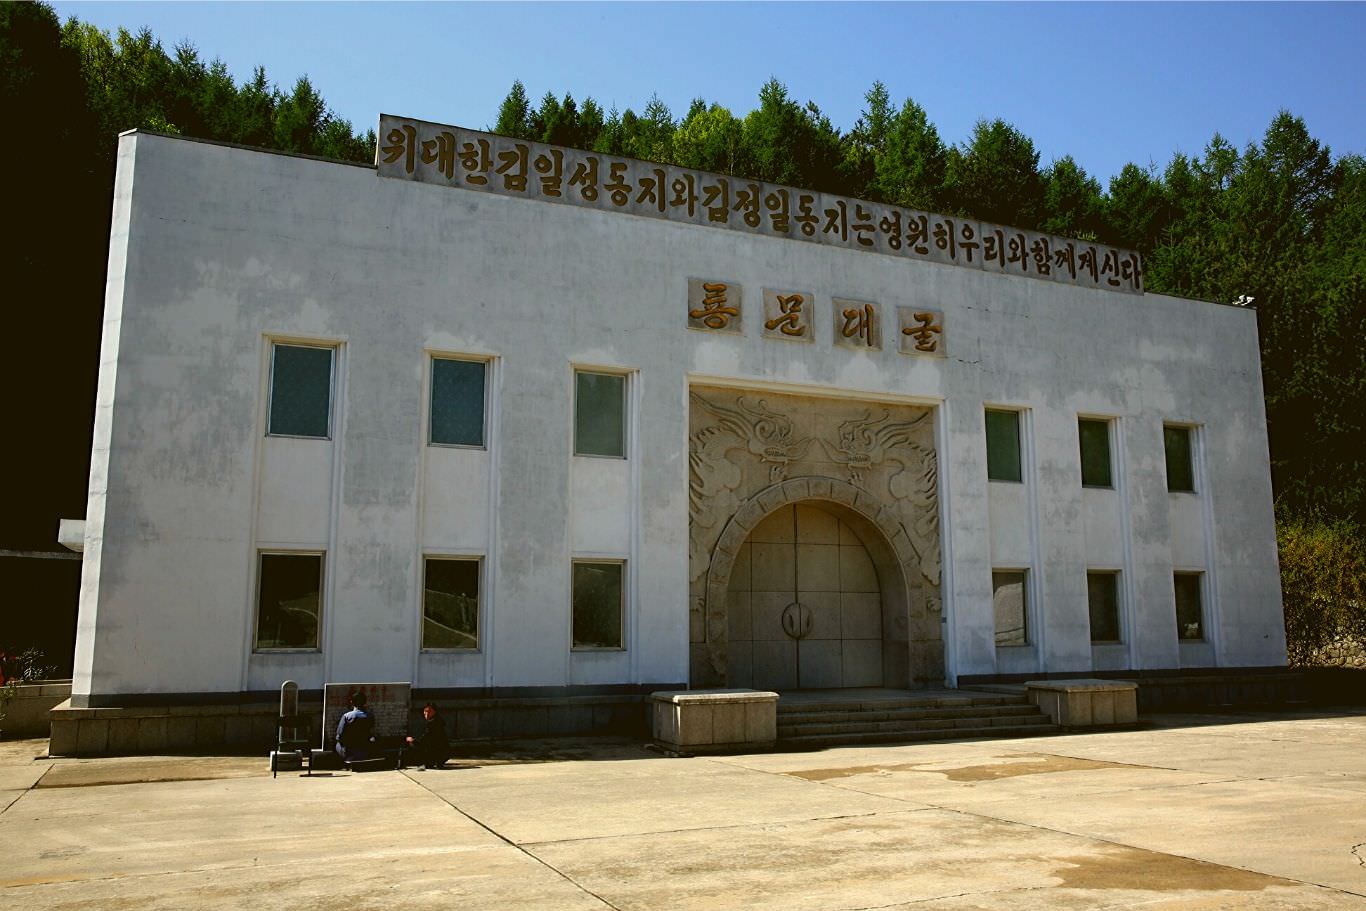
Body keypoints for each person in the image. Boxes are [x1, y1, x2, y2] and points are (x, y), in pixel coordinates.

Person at [400, 702, 450, 769]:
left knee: (412, 745)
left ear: (434, 712)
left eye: (429, 711)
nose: (426, 713)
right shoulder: (437, 721)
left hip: (438, 753)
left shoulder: (433, 724)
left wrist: (412, 741)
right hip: (441, 753)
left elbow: (424, 740)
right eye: (425, 711)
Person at [334, 690, 376, 763]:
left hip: (348, 751)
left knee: (337, 743)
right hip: (365, 751)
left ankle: (346, 759)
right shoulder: (370, 716)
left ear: (352, 702)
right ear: (365, 702)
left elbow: (339, 736)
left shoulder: (346, 716)